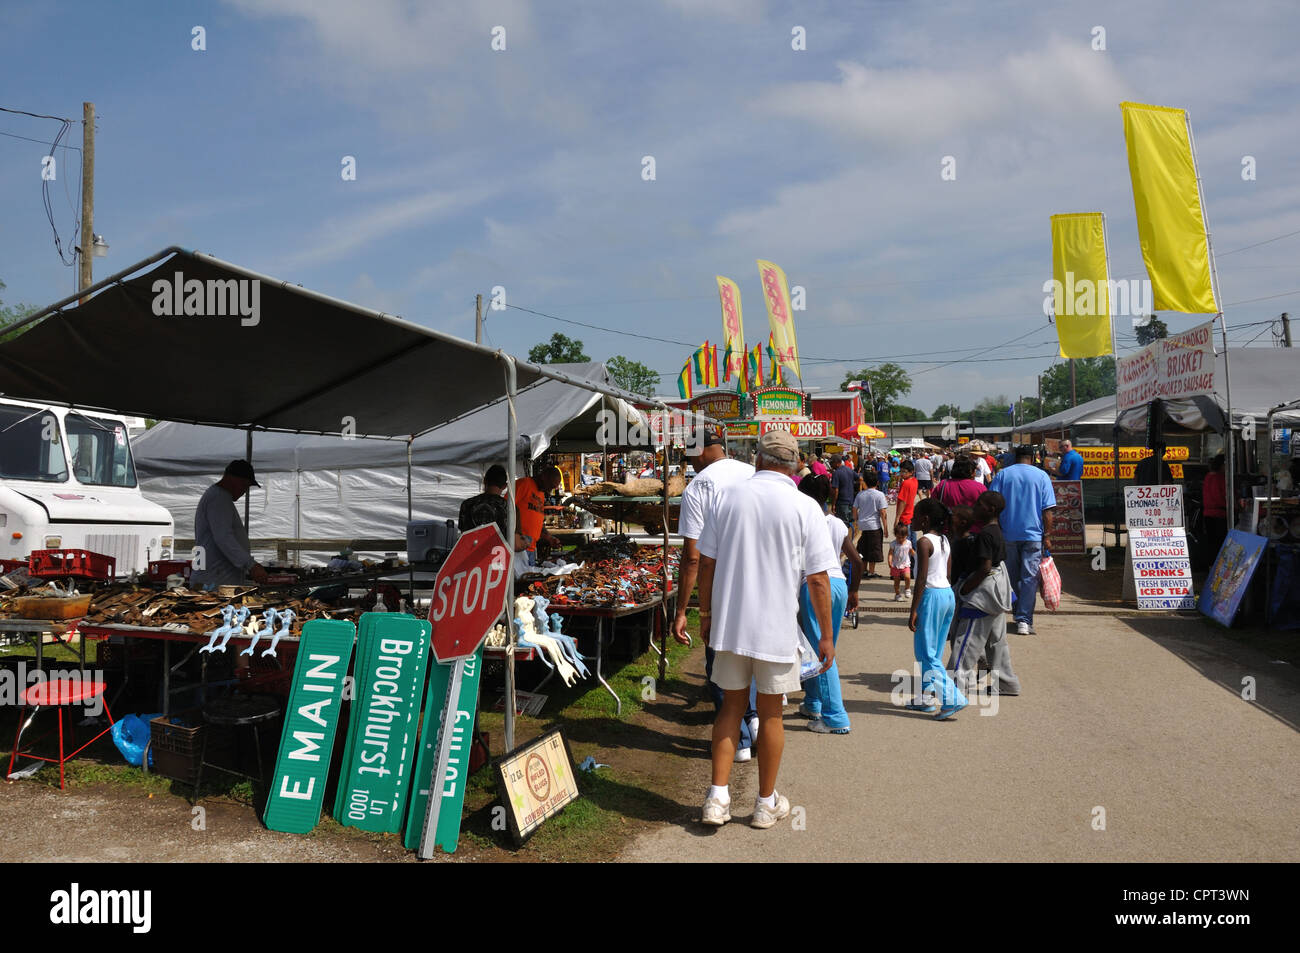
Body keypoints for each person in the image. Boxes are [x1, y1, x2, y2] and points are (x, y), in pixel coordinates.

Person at [695, 429, 837, 829]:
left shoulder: (727, 498)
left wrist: (705, 614)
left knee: (730, 708)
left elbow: (706, 563)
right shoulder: (805, 506)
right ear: (794, 467)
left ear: (757, 459)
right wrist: (826, 635)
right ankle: (764, 803)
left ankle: (717, 799)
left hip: (729, 625)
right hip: (775, 629)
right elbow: (819, 579)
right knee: (771, 715)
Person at [672, 429, 759, 762]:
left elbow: (693, 557)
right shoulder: (752, 473)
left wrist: (685, 610)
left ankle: (737, 741)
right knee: (749, 656)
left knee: (719, 665)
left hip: (722, 590)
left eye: (690, 456)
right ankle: (752, 718)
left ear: (700, 452)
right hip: (757, 585)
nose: (690, 463)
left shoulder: (698, 487)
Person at [796, 473, 860, 734]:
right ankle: (813, 702)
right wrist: (854, 591)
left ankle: (835, 716)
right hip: (838, 583)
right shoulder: (836, 523)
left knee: (821, 652)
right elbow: (856, 560)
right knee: (822, 646)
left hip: (814, 585)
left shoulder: (801, 520)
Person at [947, 492, 1021, 697]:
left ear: (990, 509)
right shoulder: (996, 531)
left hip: (983, 596)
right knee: (996, 642)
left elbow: (985, 567)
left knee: (967, 641)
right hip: (998, 593)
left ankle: (954, 685)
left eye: (979, 504)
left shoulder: (985, 535)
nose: (975, 507)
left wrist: (966, 589)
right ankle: (1006, 682)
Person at [906, 498, 967, 719]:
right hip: (946, 594)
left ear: (924, 519)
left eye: (914, 516)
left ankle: (952, 699)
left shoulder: (924, 542)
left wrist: (914, 609)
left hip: (931, 595)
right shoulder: (944, 540)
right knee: (933, 650)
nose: (911, 519)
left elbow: (921, 579)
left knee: (927, 652)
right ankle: (926, 697)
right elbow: (949, 574)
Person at [988, 446, 1056, 636]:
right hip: (1033, 535)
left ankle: (1018, 613)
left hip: (1008, 534)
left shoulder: (1002, 475)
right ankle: (1024, 620)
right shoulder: (1042, 476)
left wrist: (996, 529)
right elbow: (1048, 511)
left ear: (1014, 458)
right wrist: (1048, 535)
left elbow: (992, 504)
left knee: (1011, 577)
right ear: (1033, 457)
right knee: (1029, 578)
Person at [191, 459, 269, 589]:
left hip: (217, 577)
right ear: (232, 479)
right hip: (215, 580)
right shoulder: (218, 498)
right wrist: (250, 565)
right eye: (244, 485)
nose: (244, 491)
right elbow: (223, 537)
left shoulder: (219, 497)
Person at [459, 464, 528, 550]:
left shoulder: (466, 504)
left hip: (470, 557)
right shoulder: (511, 509)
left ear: (484, 481)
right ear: (504, 486)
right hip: (498, 560)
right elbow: (516, 544)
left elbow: (463, 538)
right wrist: (525, 543)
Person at [515, 464, 563, 566]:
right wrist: (517, 534)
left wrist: (549, 538)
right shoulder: (524, 484)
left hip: (530, 549)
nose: (549, 491)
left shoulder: (541, 493)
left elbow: (537, 522)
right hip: (518, 549)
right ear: (544, 477)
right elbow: (507, 508)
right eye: (550, 486)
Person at [853, 469, 889, 580]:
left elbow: (854, 509)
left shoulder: (860, 494)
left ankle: (864, 570)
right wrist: (886, 528)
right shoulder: (880, 495)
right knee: (873, 549)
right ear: (877, 483)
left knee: (863, 549)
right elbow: (883, 512)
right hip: (874, 526)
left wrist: (857, 520)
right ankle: (871, 572)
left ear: (865, 482)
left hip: (862, 526)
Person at [1202, 453, 1228, 558]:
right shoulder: (1220, 478)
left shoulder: (1208, 476)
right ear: (1222, 465)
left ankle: (1211, 566)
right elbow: (1220, 497)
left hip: (1208, 514)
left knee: (1212, 543)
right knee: (1220, 543)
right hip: (1219, 514)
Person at [829, 454, 857, 528]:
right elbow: (860, 479)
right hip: (851, 502)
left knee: (842, 526)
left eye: (831, 463)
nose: (830, 465)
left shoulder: (836, 473)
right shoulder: (849, 469)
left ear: (837, 463)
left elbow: (836, 490)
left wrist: (833, 504)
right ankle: (850, 539)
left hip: (841, 504)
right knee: (849, 525)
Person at [889, 524, 913, 602]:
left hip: (905, 564)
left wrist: (916, 556)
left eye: (903, 537)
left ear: (906, 535)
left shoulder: (908, 543)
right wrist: (889, 561)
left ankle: (907, 589)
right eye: (898, 537)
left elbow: (911, 551)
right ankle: (897, 594)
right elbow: (890, 553)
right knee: (897, 581)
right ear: (895, 535)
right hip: (896, 565)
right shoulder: (893, 544)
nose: (901, 539)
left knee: (907, 577)